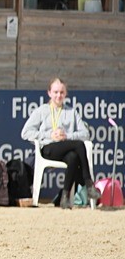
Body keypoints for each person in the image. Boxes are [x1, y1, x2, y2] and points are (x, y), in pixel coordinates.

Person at [20, 77, 100, 208]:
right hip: (48, 148)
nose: (59, 95)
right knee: (79, 145)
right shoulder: (41, 111)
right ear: (49, 93)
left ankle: (65, 197)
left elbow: (85, 134)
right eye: (56, 92)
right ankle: (88, 184)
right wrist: (49, 135)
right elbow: (25, 132)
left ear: (66, 94)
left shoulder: (71, 112)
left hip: (65, 149)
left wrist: (66, 136)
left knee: (73, 157)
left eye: (62, 92)